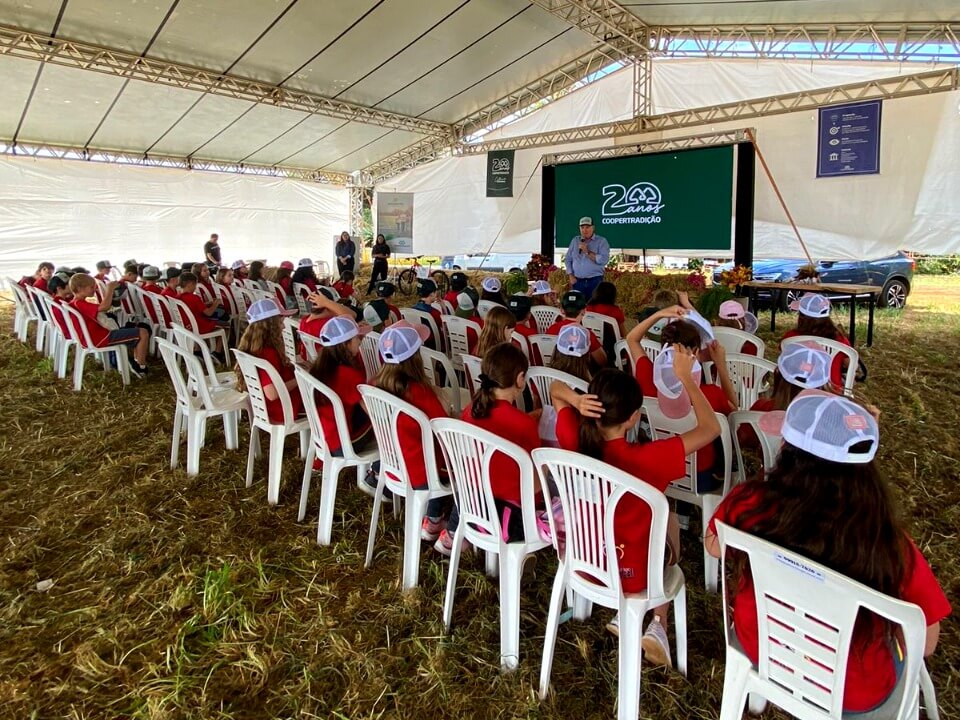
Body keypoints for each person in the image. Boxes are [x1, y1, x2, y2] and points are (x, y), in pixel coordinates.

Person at [705, 392, 951, 713]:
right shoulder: (887, 542)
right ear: (864, 469)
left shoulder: (749, 500)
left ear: (787, 450)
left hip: (763, 645)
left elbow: (713, 545)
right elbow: (927, 643)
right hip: (854, 690)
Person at [554, 362, 720, 664]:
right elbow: (711, 428)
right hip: (635, 576)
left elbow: (555, 391)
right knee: (664, 513)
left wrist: (575, 400)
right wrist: (687, 380)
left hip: (584, 563)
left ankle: (626, 616)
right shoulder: (649, 458)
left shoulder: (572, 440)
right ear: (632, 419)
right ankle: (658, 624)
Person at [372, 322, 453, 545]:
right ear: (416, 356)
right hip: (423, 471)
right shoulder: (421, 393)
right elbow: (444, 432)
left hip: (394, 464)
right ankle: (437, 518)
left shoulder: (375, 385)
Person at [457, 343, 542, 549]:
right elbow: (536, 486)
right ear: (520, 379)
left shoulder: (471, 410)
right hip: (514, 513)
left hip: (474, 503)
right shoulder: (523, 424)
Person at [309, 315, 373, 460]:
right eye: (357, 338)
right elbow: (373, 412)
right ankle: (377, 470)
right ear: (346, 344)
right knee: (387, 422)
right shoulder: (348, 375)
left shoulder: (320, 366)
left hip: (323, 435)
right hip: (343, 445)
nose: (359, 342)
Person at [67, 273, 150, 377]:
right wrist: (110, 289)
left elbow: (101, 307)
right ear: (79, 288)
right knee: (143, 333)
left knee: (138, 330)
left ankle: (134, 363)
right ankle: (140, 367)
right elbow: (105, 306)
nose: (95, 289)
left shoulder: (76, 303)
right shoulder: (79, 303)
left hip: (96, 336)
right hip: (99, 338)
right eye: (91, 287)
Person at [235, 298, 301, 423]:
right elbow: (272, 393)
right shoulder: (268, 353)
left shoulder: (254, 347)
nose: (283, 326)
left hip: (267, 408)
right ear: (271, 326)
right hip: (284, 408)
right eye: (280, 322)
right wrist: (300, 378)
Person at [782, 294, 853, 389]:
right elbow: (852, 364)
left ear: (801, 316)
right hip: (832, 390)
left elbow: (785, 361)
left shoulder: (791, 337)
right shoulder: (839, 338)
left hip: (797, 390)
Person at [546, 290, 607, 368]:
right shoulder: (586, 334)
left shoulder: (551, 329)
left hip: (554, 373)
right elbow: (603, 361)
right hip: (580, 376)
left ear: (562, 310)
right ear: (584, 311)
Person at [178, 272, 228, 359]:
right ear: (190, 284)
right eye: (194, 285)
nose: (195, 288)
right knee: (226, 326)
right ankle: (217, 353)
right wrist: (216, 304)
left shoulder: (177, 297)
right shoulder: (194, 297)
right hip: (198, 326)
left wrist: (207, 303)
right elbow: (208, 313)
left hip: (186, 326)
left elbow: (194, 307)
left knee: (214, 317)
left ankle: (197, 350)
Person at [298, 287, 356, 360]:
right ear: (327, 307)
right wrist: (326, 302)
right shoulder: (327, 325)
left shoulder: (304, 321)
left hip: (315, 361)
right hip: (332, 362)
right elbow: (353, 315)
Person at [565, 216, 609, 299]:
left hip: (594, 281)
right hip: (577, 281)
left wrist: (587, 251)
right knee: (577, 306)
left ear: (593, 228)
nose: (585, 230)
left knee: (593, 307)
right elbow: (568, 259)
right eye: (582, 227)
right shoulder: (575, 240)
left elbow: (603, 260)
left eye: (588, 227)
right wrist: (570, 275)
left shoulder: (601, 241)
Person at [412, 278, 443, 350]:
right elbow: (441, 332)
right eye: (435, 292)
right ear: (432, 294)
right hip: (432, 347)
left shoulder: (411, 310)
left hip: (416, 346)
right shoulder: (435, 313)